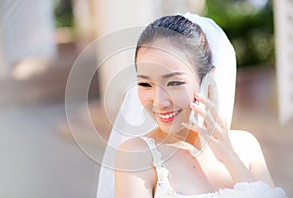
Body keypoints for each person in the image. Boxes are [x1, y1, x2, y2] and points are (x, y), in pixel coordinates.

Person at [97, 13, 287, 198]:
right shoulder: (137, 155)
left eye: (174, 83)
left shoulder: (246, 147)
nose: (159, 101)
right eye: (146, 84)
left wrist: (229, 156)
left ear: (209, 81)